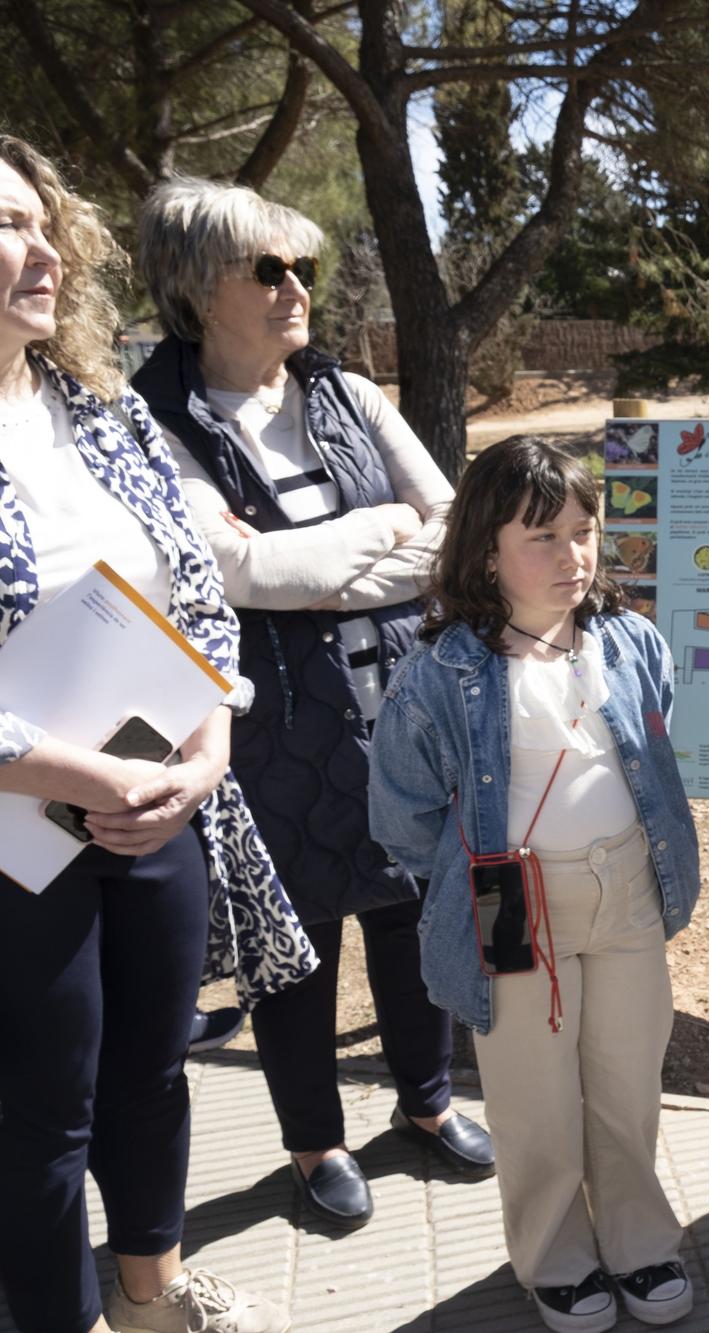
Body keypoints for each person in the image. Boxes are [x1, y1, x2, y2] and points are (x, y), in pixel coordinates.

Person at [129, 177, 490, 1232]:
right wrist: (376, 537)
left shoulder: (345, 393)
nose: (297, 290)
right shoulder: (157, 415)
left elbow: (449, 525)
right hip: (272, 726)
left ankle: (425, 1103)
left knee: (412, 912)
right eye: (269, 270)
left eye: (305, 269)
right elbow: (232, 571)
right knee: (298, 944)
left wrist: (325, 564)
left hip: (402, 702)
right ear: (199, 290)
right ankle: (314, 1141)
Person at [0, 134, 299, 1333]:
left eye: (39, 222)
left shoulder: (100, 407)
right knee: (42, 1114)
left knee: (153, 1067)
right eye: (3, 228)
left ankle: (153, 1297)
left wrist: (208, 743)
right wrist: (73, 773)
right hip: (20, 835)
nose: (39, 250)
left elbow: (195, 594)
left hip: (164, 795)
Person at [369, 436, 702, 1332]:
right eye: (541, 536)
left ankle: (636, 1239)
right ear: (485, 550)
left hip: (625, 886)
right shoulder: (443, 670)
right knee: (533, 1091)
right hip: (513, 901)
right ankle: (556, 1253)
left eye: (584, 531)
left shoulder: (628, 640)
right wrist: (469, 865)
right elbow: (398, 809)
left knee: (628, 1075)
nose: (573, 555)